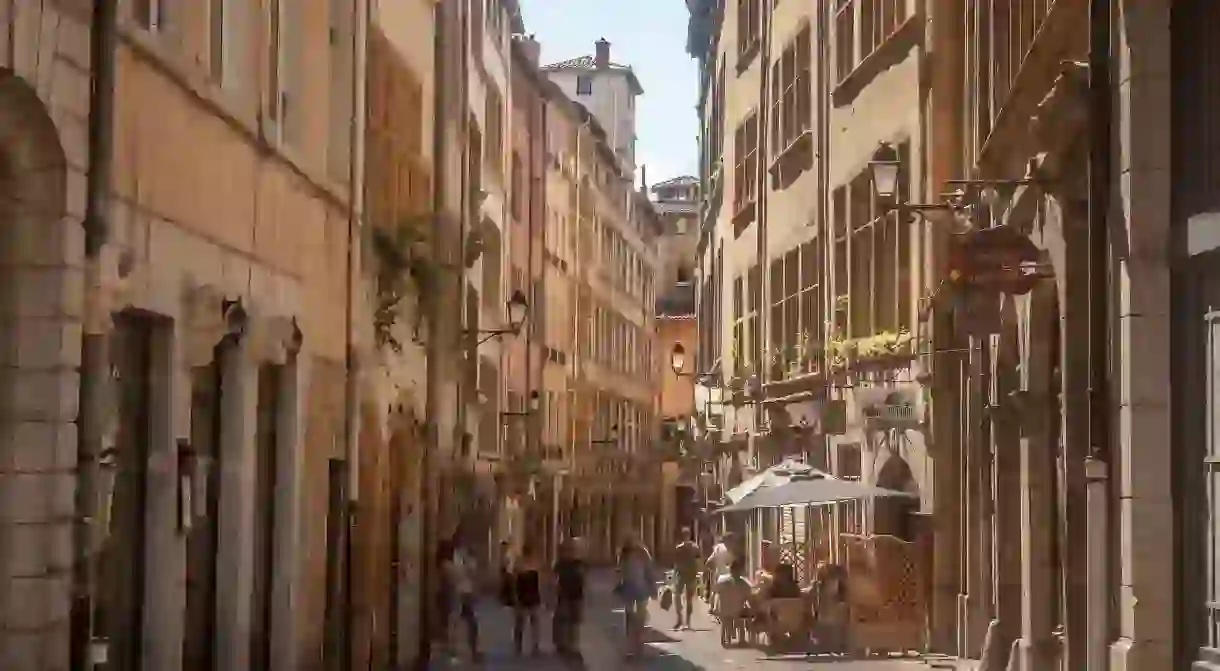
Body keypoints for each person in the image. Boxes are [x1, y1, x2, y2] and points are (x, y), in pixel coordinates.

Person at [617, 536, 658, 659]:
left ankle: (636, 646)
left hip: (638, 589)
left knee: (636, 618)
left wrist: (653, 587)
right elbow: (621, 571)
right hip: (633, 589)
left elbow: (649, 571)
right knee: (633, 618)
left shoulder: (641, 553)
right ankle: (633, 647)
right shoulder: (625, 554)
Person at [443, 533, 482, 661]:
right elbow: (452, 573)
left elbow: (472, 571)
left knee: (471, 622)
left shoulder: (465, 556)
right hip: (456, 592)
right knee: (454, 621)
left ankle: (473, 650)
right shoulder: (451, 557)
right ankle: (453, 651)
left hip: (465, 591)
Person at [552, 537, 587, 659]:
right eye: (570, 549)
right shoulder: (561, 563)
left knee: (575, 622)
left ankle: (574, 646)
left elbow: (584, 580)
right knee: (563, 620)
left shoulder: (580, 563)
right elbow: (554, 578)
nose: (572, 551)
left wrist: (587, 593)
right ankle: (562, 644)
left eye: (574, 549)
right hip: (564, 595)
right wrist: (554, 591)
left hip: (577, 596)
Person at [714, 559, 753, 647]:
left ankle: (726, 636)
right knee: (741, 621)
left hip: (723, 610)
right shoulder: (745, 583)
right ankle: (742, 639)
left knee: (726, 619)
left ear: (730, 569)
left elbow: (716, 592)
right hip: (737, 611)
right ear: (741, 571)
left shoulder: (721, 579)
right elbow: (748, 598)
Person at [513, 545, 544, 655]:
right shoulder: (522, 564)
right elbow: (515, 582)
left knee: (531, 622)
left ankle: (532, 646)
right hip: (526, 596)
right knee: (523, 622)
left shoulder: (529, 564)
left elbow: (539, 581)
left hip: (530, 596)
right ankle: (522, 645)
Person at [671, 527, 701, 630]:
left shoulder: (681, 548)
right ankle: (685, 621)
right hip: (687, 575)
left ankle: (682, 620)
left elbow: (676, 563)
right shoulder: (694, 547)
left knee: (680, 597)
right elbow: (698, 561)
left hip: (683, 574)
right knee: (685, 598)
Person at [706, 533, 734, 615]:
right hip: (725, 572)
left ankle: (713, 608)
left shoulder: (718, 547)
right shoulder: (729, 549)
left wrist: (710, 566)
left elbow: (710, 559)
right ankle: (716, 608)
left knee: (715, 591)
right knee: (719, 591)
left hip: (720, 571)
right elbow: (731, 561)